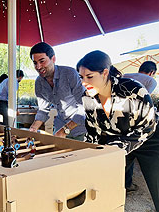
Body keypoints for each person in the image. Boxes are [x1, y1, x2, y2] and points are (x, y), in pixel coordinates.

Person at [77, 50, 159, 211]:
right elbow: (93, 131)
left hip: (150, 140)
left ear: (105, 73)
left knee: (157, 185)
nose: (84, 82)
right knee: (104, 182)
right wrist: (85, 155)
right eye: (81, 77)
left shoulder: (132, 89)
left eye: (89, 76)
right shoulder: (88, 97)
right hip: (116, 142)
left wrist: (116, 147)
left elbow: (148, 126)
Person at [28, 42, 86, 140]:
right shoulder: (39, 82)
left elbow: (84, 106)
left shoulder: (70, 74)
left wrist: (65, 130)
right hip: (60, 128)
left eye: (42, 61)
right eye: (35, 63)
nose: (38, 67)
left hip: (80, 130)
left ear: (53, 59)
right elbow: (43, 110)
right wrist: (33, 129)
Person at [123, 60, 157, 192]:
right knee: (136, 149)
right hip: (136, 122)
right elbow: (143, 100)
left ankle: (121, 185)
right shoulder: (150, 81)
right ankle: (128, 184)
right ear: (152, 72)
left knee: (126, 154)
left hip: (120, 121)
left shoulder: (125, 75)